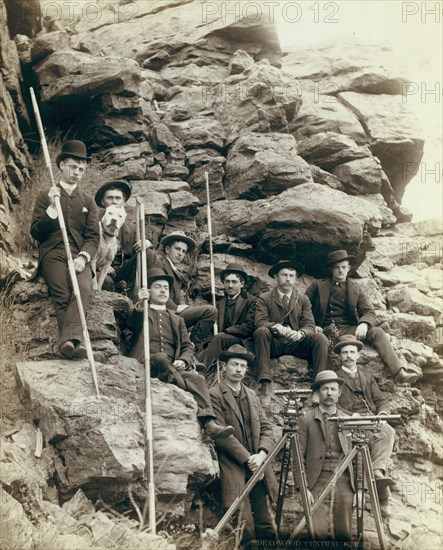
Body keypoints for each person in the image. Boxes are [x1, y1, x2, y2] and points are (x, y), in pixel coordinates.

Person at [131, 268, 233, 440]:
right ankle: (184, 387)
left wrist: (184, 361)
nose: (163, 290)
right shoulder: (142, 312)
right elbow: (131, 325)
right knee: (161, 358)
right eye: (158, 287)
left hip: (172, 369)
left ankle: (209, 423)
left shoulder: (177, 319)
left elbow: (187, 346)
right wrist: (141, 304)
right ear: (148, 291)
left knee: (199, 379)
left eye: (165, 287)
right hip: (148, 364)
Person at [305, 249, 418, 385]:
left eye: (344, 267)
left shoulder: (355, 289)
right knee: (322, 343)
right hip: (323, 330)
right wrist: (313, 325)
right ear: (331, 269)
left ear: (349, 268)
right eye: (337, 268)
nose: (341, 271)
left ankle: (399, 373)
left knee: (377, 332)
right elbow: (304, 308)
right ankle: (324, 382)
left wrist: (364, 323)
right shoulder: (317, 286)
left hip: (348, 330)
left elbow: (369, 311)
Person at [30, 140, 99, 359]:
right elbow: (36, 233)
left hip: (79, 254)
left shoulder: (88, 200)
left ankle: (69, 342)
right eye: (73, 167)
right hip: (53, 254)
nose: (77, 172)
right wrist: (51, 207)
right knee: (62, 293)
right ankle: (74, 343)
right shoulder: (45, 196)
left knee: (83, 290)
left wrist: (84, 257)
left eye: (81, 169)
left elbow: (93, 237)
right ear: (61, 166)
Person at [209, 344, 277, 548]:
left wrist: (262, 455)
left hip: (258, 467)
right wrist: (248, 458)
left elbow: (267, 428)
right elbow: (220, 434)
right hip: (234, 466)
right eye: (234, 365)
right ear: (224, 367)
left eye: (243, 366)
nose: (239, 369)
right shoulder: (214, 395)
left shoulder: (252, 395)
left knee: (267, 522)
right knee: (243, 522)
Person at [116, 230, 217, 342]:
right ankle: (192, 345)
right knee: (210, 311)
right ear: (168, 249)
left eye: (184, 251)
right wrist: (176, 307)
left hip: (170, 315)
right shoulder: (158, 262)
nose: (180, 254)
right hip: (158, 313)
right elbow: (154, 287)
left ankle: (190, 345)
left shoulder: (174, 271)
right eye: (177, 249)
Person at [334, 334, 396, 513]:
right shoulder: (335, 378)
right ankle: (382, 495)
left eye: (352, 352)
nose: (348, 356)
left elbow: (381, 400)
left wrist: (383, 414)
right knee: (367, 439)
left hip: (370, 418)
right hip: (349, 421)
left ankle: (378, 472)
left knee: (388, 431)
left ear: (358, 355)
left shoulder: (367, 377)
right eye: (345, 352)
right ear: (340, 356)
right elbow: (331, 404)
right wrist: (348, 415)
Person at [254, 260, 329, 405]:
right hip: (274, 344)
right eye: (284, 275)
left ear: (295, 279)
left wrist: (301, 333)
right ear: (276, 277)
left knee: (319, 338)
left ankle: (319, 386)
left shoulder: (303, 299)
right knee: (261, 332)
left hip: (296, 344)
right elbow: (259, 321)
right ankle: (265, 384)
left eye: (291, 276)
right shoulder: (265, 298)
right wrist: (276, 326)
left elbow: (309, 324)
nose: (288, 279)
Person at [297, 370, 355, 543]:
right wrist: (303, 488)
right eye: (325, 389)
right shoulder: (305, 420)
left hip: (344, 478)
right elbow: (298, 455)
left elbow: (358, 457)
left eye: (333, 389)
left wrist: (360, 489)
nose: (329, 393)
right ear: (317, 392)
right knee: (317, 531)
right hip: (317, 479)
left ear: (339, 393)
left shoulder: (349, 420)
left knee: (344, 532)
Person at [94, 180, 152, 291]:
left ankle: (134, 296)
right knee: (104, 282)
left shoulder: (131, 226)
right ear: (102, 201)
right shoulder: (93, 222)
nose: (114, 201)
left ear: (124, 201)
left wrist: (147, 242)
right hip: (101, 269)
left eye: (118, 198)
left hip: (123, 269)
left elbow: (142, 243)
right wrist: (101, 263)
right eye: (110, 198)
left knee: (147, 253)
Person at [201, 263, 256, 371]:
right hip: (221, 340)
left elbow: (250, 326)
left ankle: (202, 373)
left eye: (234, 282)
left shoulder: (251, 301)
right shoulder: (218, 304)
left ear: (242, 284)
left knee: (220, 338)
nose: (230, 285)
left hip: (243, 341)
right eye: (227, 282)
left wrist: (227, 331)